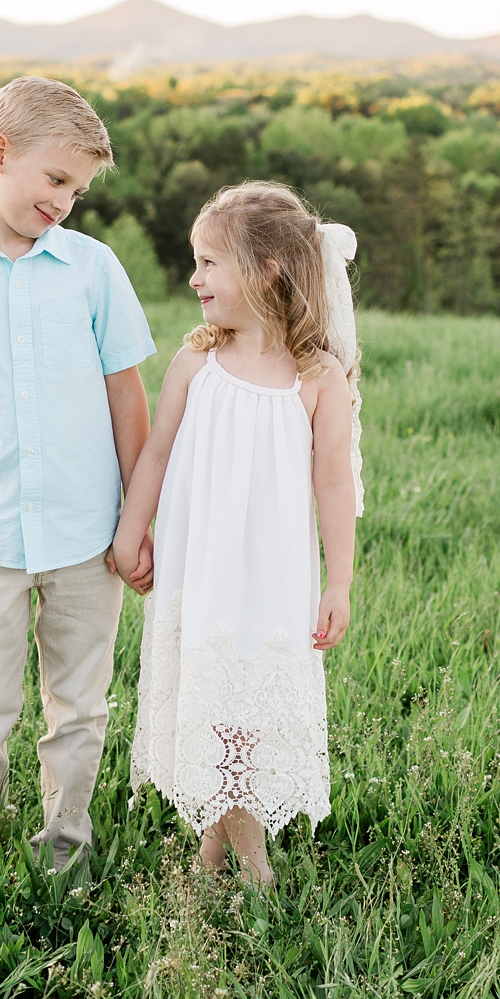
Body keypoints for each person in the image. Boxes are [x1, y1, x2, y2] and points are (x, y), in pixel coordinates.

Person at [0, 76, 158, 882]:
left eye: (78, 190)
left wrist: (136, 518)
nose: (67, 202)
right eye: (57, 180)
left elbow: (128, 392)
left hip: (87, 533)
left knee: (79, 704)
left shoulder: (93, 268)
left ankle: (65, 851)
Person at [110, 181, 362, 888]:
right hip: (201, 567)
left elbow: (335, 485)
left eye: (209, 262)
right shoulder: (197, 361)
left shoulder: (318, 379)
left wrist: (338, 580)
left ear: (268, 268)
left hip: (272, 575)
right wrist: (133, 530)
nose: (194, 278)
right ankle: (226, 853)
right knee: (214, 703)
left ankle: (236, 857)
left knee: (245, 708)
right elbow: (157, 450)